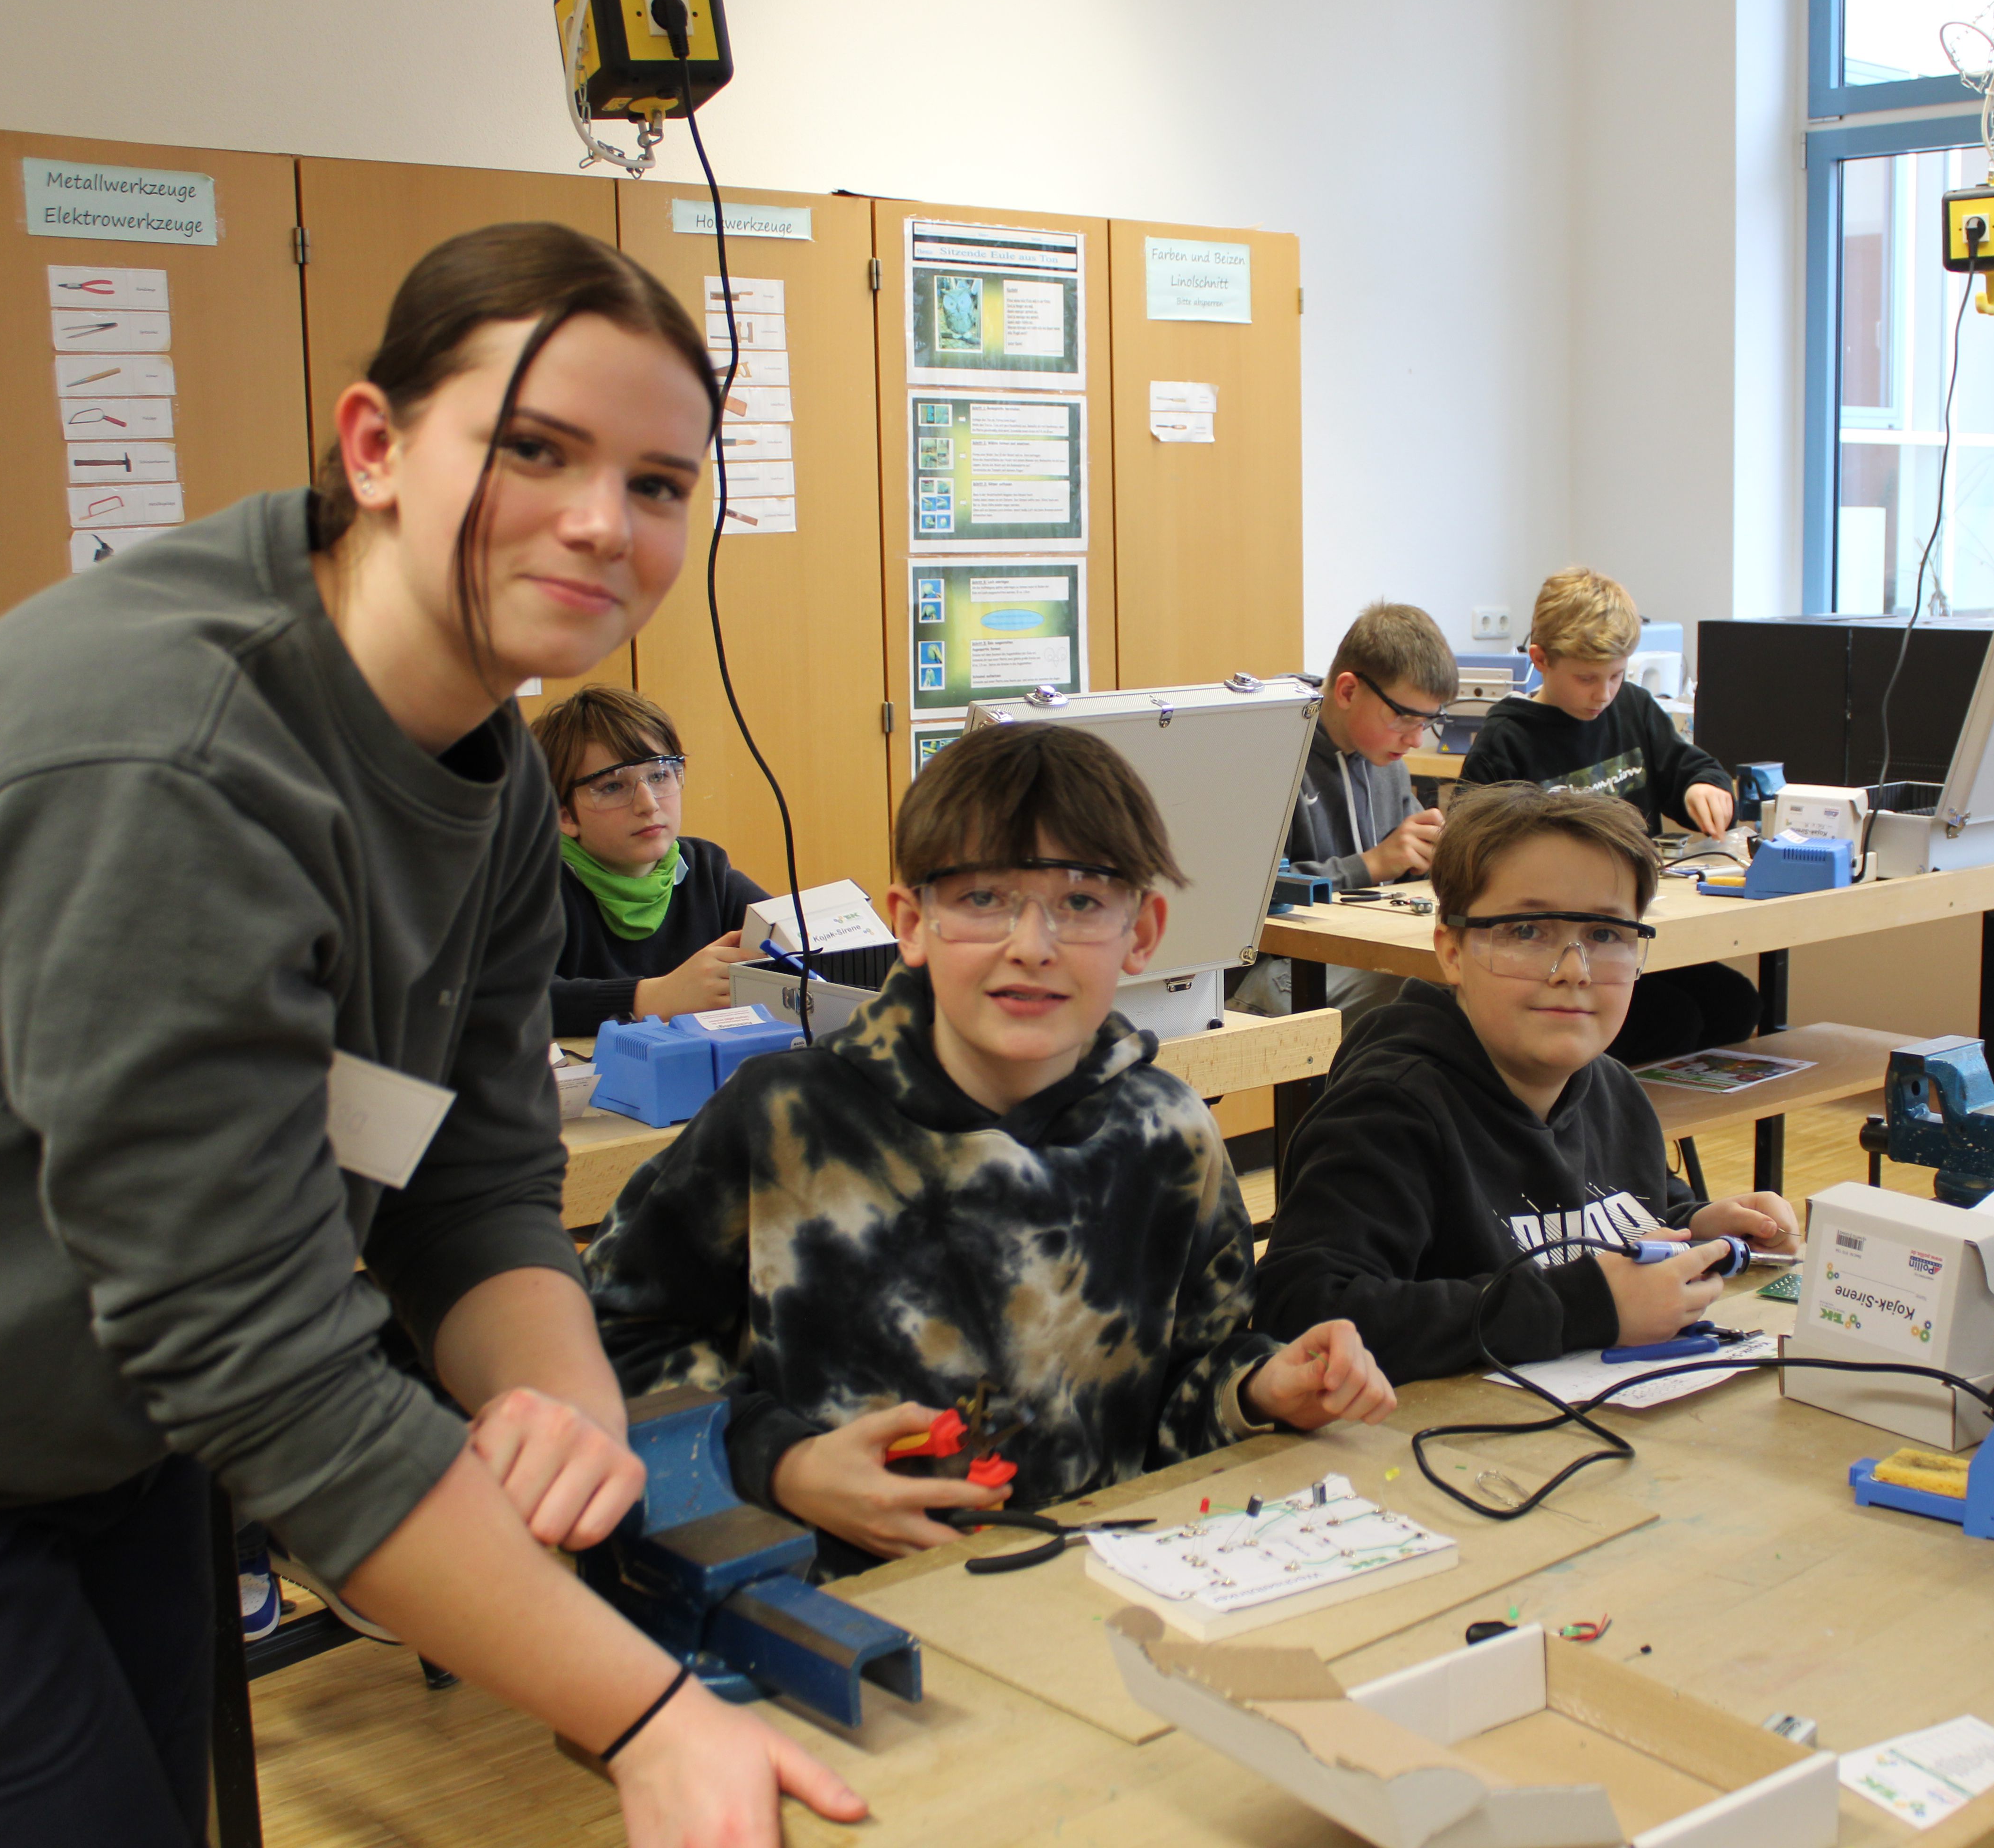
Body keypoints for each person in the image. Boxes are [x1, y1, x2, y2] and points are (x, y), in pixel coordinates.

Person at [0, 222, 861, 1848]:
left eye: (662, 483)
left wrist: (560, 1398)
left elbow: (465, 1178)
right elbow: (256, 1348)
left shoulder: (492, 768)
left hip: (111, 1439)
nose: (603, 522)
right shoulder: (163, 759)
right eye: (535, 450)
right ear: (374, 446)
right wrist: (645, 1711)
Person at [585, 721, 1396, 1576]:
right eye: (982, 899)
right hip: (852, 1614)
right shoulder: (785, 1121)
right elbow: (609, 1343)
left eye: (1082, 903)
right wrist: (781, 1462)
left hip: (1101, 1598)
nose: (1031, 945)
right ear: (911, 923)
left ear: (1144, 932)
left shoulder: (1170, 1134)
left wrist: (1261, 1386)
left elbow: (1190, 1375)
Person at [1252, 783, 1797, 1384]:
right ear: (1452, 950)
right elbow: (1300, 1311)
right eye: (1527, 932)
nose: (1572, 971)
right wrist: (1581, 1307)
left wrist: (1699, 1225)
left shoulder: (1611, 1090)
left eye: (1606, 935)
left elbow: (1605, 1208)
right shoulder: (1390, 1109)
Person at [1456, 567, 1755, 1064]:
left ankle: (1638, 1123)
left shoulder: (1632, 709)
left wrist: (1708, 785)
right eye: (1587, 679)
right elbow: (1473, 861)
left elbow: (1687, 767)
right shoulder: (1507, 741)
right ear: (1541, 660)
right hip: (1560, 952)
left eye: (1617, 676)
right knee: (1673, 1020)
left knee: (1736, 1003)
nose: (1604, 693)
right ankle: (1592, 1118)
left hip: (1622, 935)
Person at [1231, 601, 1456, 1021]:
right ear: (1349, 691)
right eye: (1405, 719)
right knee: (1427, 999)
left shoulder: (1387, 763)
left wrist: (1435, 858)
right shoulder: (1271, 753)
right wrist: (1370, 864)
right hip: (1277, 969)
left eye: (1428, 722)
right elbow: (1252, 897)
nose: (1415, 741)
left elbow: (1404, 872)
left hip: (1357, 954)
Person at [536, 685, 770, 1037]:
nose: (648, 804)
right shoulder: (533, 886)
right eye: (613, 786)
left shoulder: (706, 868)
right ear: (564, 815)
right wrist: (652, 996)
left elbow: (793, 941)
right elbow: (504, 998)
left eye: (660, 775)